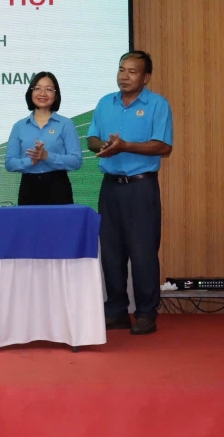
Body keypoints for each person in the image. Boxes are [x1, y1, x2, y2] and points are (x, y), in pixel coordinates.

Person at [87, 51, 173, 336]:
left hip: (141, 187)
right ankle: (116, 311)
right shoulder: (105, 102)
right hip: (110, 186)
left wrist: (125, 146)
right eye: (121, 69)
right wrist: (105, 146)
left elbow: (164, 146)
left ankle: (146, 313)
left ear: (146, 77)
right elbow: (91, 138)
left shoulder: (158, 105)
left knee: (143, 252)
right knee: (111, 252)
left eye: (132, 72)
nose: (124, 76)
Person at [5, 71, 82, 205]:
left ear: (56, 95)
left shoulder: (66, 124)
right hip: (28, 188)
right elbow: (10, 163)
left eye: (49, 89)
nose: (43, 93)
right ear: (31, 93)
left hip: (58, 186)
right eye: (38, 88)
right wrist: (31, 161)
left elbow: (76, 161)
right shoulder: (19, 126)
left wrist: (47, 156)